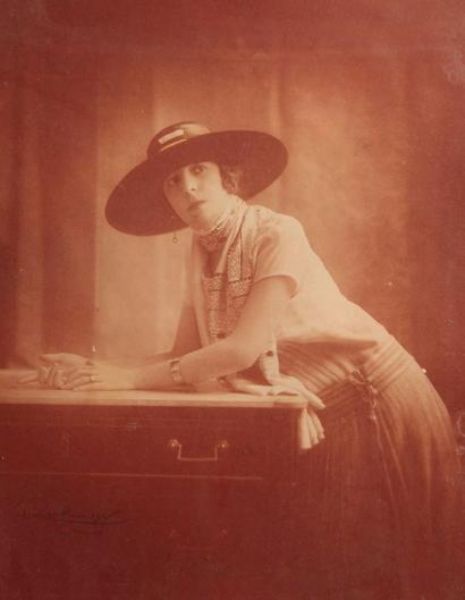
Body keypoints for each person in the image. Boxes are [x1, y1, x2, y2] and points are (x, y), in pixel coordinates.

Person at [22, 122, 463, 598]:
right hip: (321, 408)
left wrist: (127, 380)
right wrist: (98, 369)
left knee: (374, 565)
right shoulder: (200, 251)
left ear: (227, 177)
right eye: (173, 180)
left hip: (376, 399)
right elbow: (186, 355)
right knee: (324, 563)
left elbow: (241, 349)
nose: (188, 187)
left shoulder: (277, 232)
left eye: (199, 170)